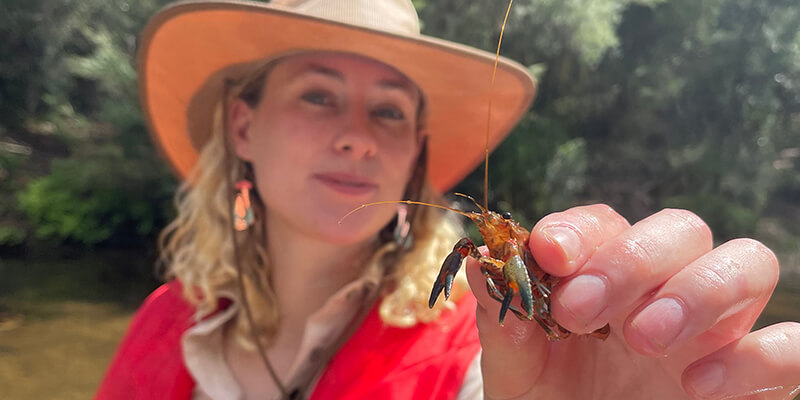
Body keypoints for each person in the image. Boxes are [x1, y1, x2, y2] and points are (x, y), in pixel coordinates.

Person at [96, 0, 800, 399]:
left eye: (392, 112)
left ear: (415, 154)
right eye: (318, 95)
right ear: (243, 124)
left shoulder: (485, 364)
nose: (359, 139)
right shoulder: (164, 322)